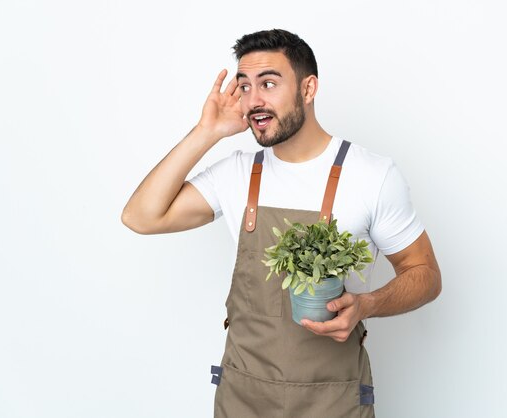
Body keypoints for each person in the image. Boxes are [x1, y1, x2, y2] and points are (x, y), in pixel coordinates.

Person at [122, 28, 441, 417]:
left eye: (268, 84)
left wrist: (367, 304)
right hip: (242, 397)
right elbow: (140, 217)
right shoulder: (235, 174)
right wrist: (207, 133)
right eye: (244, 87)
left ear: (308, 89)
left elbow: (424, 273)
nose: (253, 100)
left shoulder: (372, 175)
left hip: (333, 401)